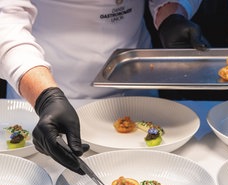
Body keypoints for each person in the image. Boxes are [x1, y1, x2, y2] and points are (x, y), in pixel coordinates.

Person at [0, 1, 209, 174]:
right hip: (50, 91)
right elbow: (6, 22)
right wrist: (45, 97)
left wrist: (171, 12)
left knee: (158, 173)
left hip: (135, 84)